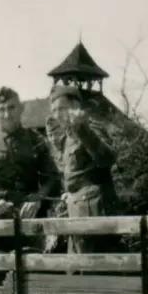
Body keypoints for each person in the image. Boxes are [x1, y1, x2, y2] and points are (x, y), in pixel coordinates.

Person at [0, 86, 62, 282]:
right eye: (1, 110)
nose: (7, 114)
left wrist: (39, 199)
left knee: (33, 282)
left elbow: (53, 178)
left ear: (21, 108)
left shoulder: (36, 141)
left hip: (29, 224)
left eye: (11, 108)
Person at [48, 84, 120, 253]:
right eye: (54, 110)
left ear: (76, 106)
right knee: (79, 270)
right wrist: (70, 191)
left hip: (95, 211)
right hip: (77, 212)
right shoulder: (68, 136)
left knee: (99, 270)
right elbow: (77, 174)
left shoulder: (90, 127)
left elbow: (108, 158)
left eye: (62, 109)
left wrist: (82, 129)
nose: (57, 115)